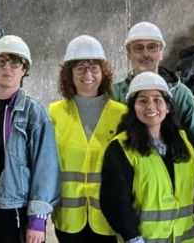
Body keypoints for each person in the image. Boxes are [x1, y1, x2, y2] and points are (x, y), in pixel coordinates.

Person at [0, 35, 60, 243]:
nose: (7, 67)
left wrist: (37, 221)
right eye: (1, 61)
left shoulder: (34, 114)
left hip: (15, 207)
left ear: (24, 69)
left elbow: (46, 168)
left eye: (14, 62)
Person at [100, 72, 194, 243]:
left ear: (167, 107)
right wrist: (132, 237)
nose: (150, 106)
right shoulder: (120, 148)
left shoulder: (182, 142)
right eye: (142, 100)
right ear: (133, 107)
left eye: (157, 100)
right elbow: (114, 201)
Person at [49, 35, 128, 243]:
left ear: (103, 73)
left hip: (108, 218)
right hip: (68, 218)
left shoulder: (121, 114)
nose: (88, 75)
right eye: (80, 68)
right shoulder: (53, 113)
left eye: (94, 68)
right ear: (70, 74)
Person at [111, 22, 194, 165]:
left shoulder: (181, 94)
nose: (146, 54)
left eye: (152, 47)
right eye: (138, 48)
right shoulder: (114, 94)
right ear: (128, 54)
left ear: (161, 53)